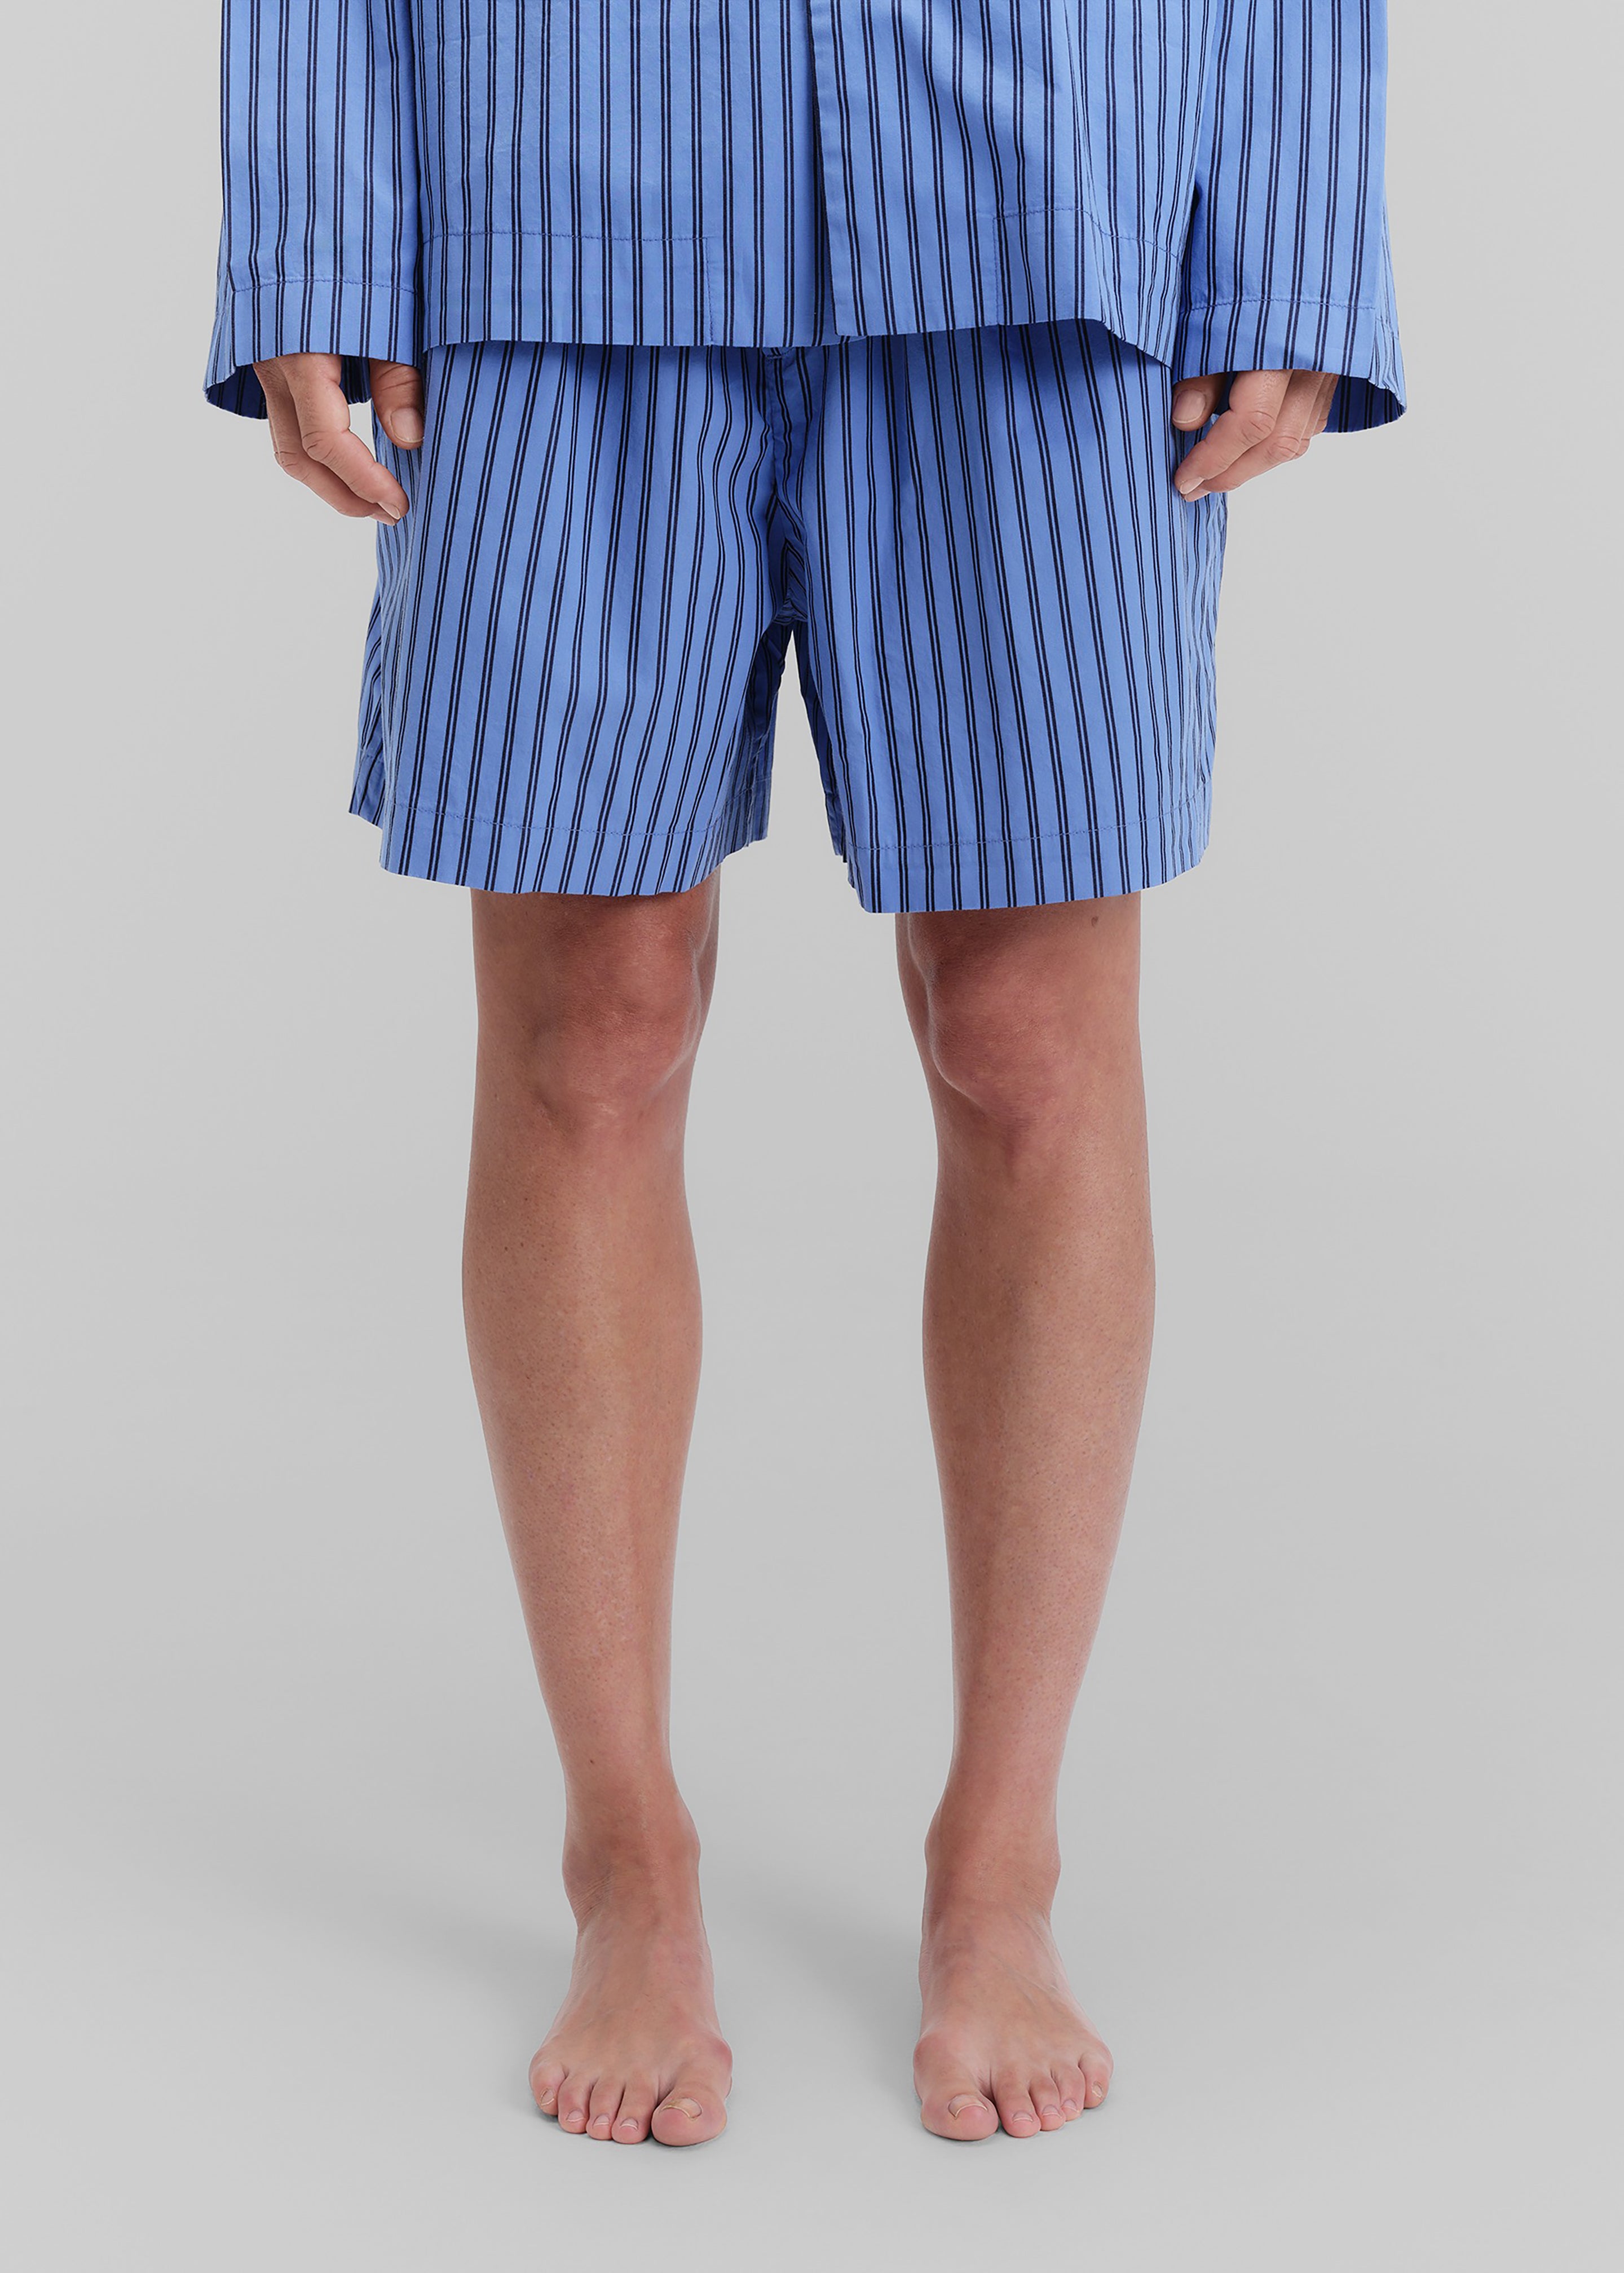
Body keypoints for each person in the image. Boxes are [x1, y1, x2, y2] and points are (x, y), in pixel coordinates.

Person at [205, 2, 1403, 2146]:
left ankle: (1002, 1865)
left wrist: (1296, 227)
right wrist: (311, 213)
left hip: (1048, 178)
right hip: (551, 161)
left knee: (1029, 1036)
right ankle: (624, 1855)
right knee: (589, 1023)